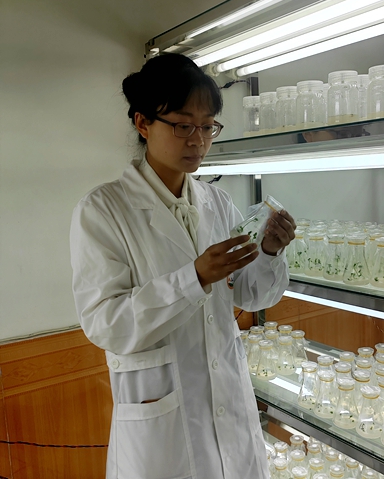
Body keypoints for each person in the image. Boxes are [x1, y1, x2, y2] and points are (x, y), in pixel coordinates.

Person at [69, 53, 296, 479]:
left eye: (207, 126)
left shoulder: (217, 202)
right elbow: (106, 324)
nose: (198, 141)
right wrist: (193, 278)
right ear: (143, 123)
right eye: (182, 125)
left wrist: (268, 252)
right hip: (161, 425)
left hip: (229, 402)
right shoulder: (103, 211)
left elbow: (252, 295)